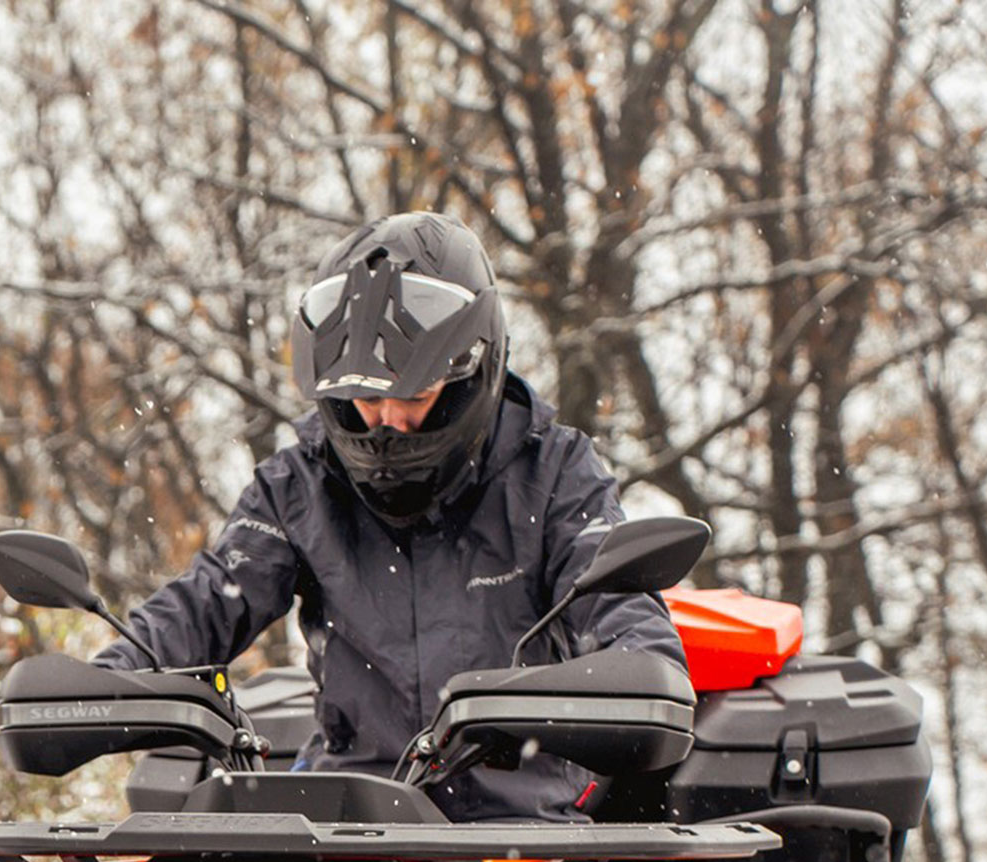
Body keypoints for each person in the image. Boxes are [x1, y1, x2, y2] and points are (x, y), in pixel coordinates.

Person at [94, 211, 685, 822]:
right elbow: (208, 601)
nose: (387, 422)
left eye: (413, 395)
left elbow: (621, 609)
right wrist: (107, 681)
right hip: (347, 831)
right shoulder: (302, 483)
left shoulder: (554, 472)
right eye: (367, 397)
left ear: (472, 370)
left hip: (513, 834)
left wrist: (629, 677)